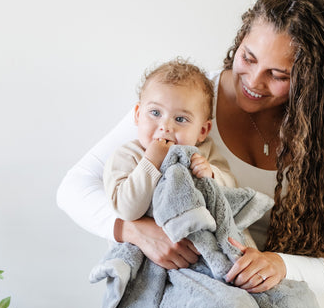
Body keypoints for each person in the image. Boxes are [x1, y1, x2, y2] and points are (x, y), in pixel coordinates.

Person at [57, 0, 324, 295]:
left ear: (309, 79)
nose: (254, 81)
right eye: (248, 57)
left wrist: (279, 264)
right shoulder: (185, 104)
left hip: (259, 305)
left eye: (279, 75)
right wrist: (136, 231)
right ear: (240, 40)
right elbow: (74, 186)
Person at [104, 58, 244, 224]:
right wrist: (151, 162)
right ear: (137, 115)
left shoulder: (203, 153)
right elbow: (127, 211)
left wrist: (211, 174)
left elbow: (233, 192)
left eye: (180, 119)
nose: (165, 126)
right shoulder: (127, 155)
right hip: (149, 245)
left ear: (202, 131)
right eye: (155, 113)